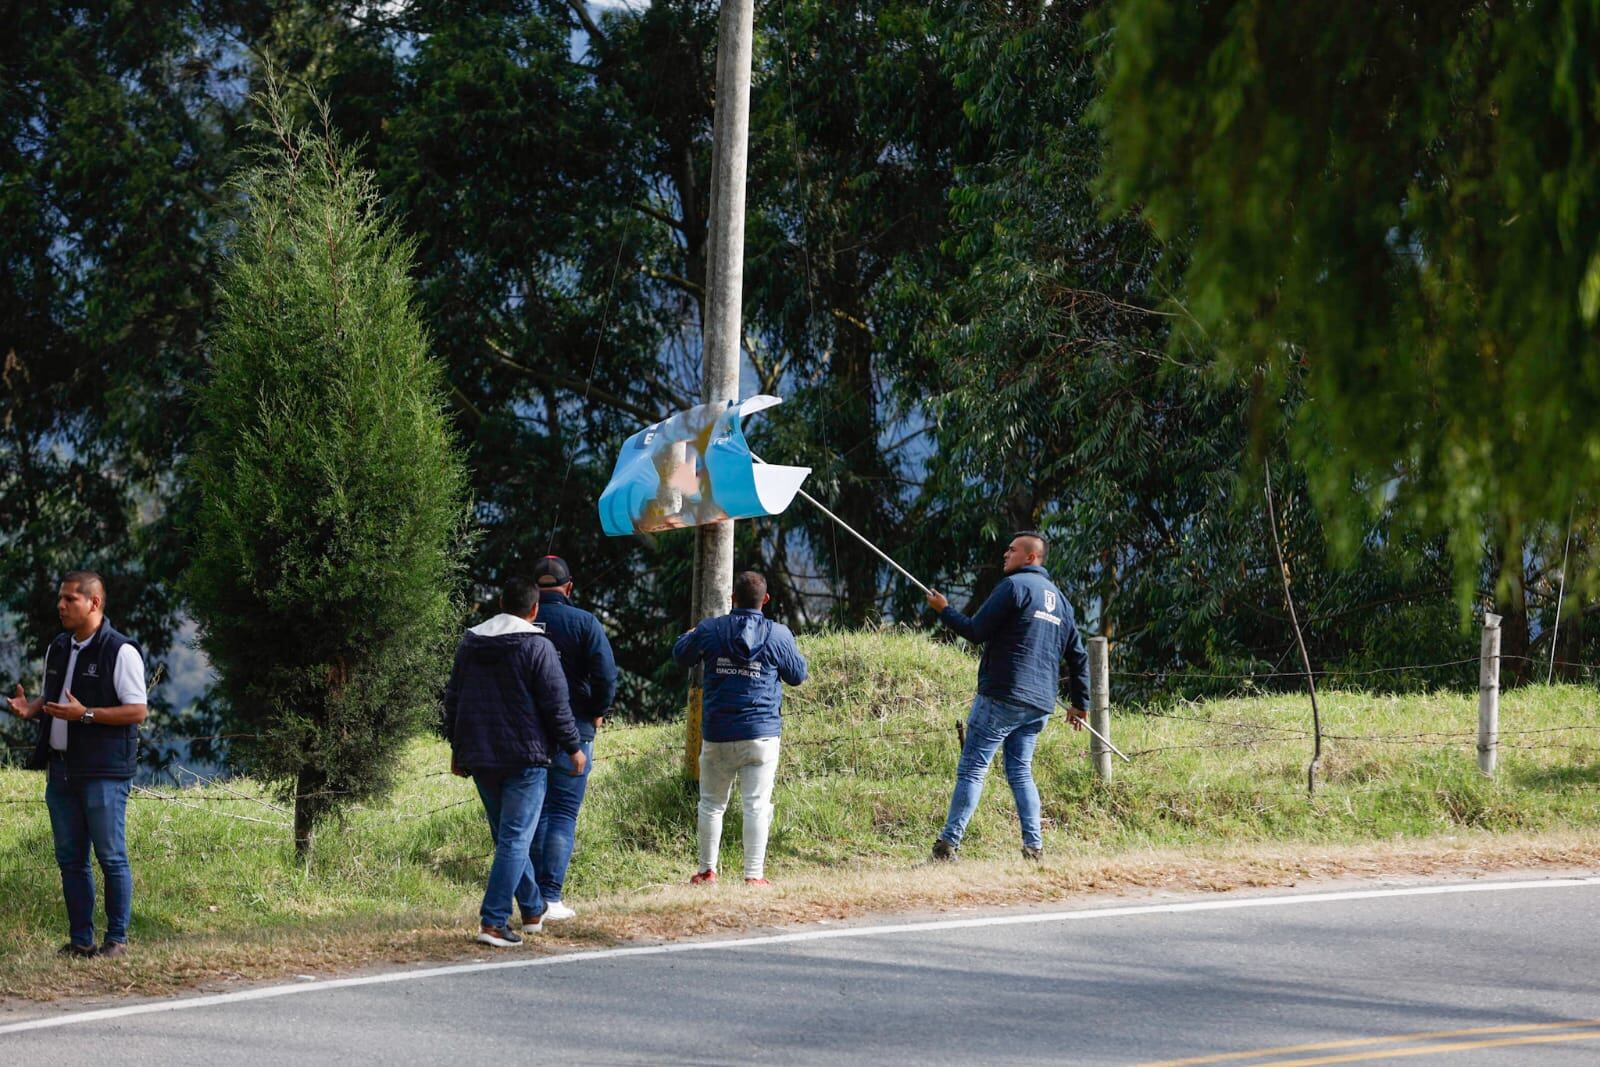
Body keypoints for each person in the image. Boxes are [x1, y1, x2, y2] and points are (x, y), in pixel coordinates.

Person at [5, 571, 148, 959]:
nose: (61, 605)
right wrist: (32, 707)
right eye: (61, 598)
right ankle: (81, 941)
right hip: (61, 771)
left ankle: (116, 941)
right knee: (70, 860)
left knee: (111, 856)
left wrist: (85, 715)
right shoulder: (58, 646)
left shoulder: (120, 651)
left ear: (94, 603)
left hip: (103, 772)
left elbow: (137, 711)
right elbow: (54, 699)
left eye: (70, 599)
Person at [925, 532, 1090, 862]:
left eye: (1012, 550)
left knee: (973, 769)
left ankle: (948, 845)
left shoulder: (1013, 587)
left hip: (1003, 695)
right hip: (1040, 703)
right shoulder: (1061, 602)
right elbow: (1078, 656)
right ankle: (1034, 847)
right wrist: (1079, 704)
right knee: (1021, 772)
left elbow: (975, 631)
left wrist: (944, 610)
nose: (1005, 553)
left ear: (1031, 557)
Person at [444, 576, 587, 947]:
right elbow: (556, 705)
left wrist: (457, 749)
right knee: (515, 839)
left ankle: (533, 909)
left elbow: (453, 699)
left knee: (507, 838)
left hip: (480, 754)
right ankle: (493, 922)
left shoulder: (471, 642)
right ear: (534, 609)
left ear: (500, 604)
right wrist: (573, 747)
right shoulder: (538, 646)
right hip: (526, 756)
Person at [672, 571, 807, 887]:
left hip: (718, 734)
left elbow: (681, 654)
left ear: (732, 598)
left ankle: (707, 871)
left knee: (711, 805)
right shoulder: (779, 635)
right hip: (761, 734)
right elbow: (798, 675)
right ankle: (753, 875)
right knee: (756, 805)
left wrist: (692, 633)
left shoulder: (710, 629)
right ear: (766, 600)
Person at [527, 555, 617, 921]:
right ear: (569, 587)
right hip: (575, 731)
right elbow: (606, 675)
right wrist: (596, 710)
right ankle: (551, 897)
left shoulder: (519, 624)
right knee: (563, 813)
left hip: (526, 733)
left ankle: (530, 898)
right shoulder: (584, 622)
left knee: (533, 813)